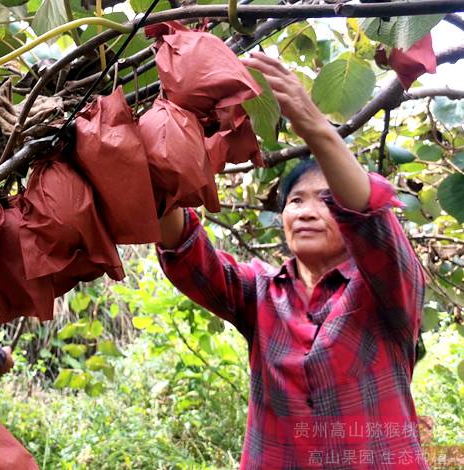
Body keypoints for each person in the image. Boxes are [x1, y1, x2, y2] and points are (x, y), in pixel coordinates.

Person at [157, 52, 427, 469]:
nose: (305, 211)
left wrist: (311, 121)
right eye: (295, 200)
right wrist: (163, 149)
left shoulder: (388, 284)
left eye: (326, 200)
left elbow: (371, 214)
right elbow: (188, 254)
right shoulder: (260, 293)